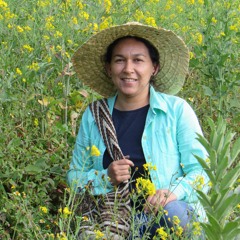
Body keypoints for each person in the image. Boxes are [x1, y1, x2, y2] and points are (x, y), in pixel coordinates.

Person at [67, 22, 208, 239]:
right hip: (113, 221)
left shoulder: (177, 111)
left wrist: (172, 193)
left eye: (138, 60)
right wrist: (106, 177)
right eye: (119, 60)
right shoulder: (94, 115)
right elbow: (74, 178)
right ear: (108, 68)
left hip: (165, 218)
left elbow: (202, 173)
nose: (128, 69)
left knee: (173, 214)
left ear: (154, 68)